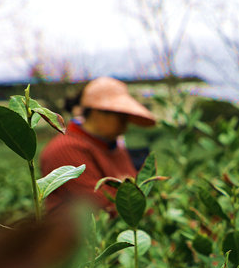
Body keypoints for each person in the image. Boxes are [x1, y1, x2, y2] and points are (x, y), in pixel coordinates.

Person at [40, 76, 156, 214]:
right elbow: (103, 206)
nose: (125, 125)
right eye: (121, 117)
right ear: (97, 112)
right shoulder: (65, 149)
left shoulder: (112, 145)